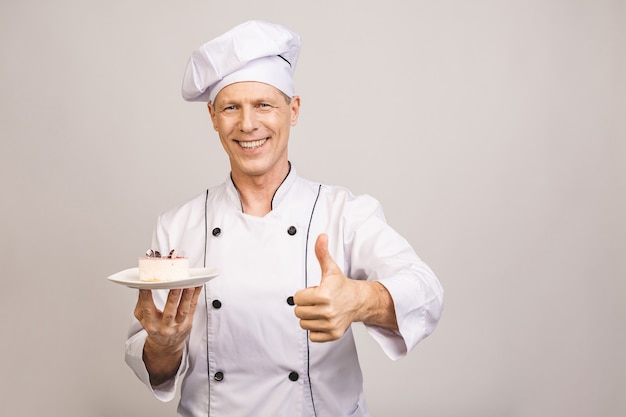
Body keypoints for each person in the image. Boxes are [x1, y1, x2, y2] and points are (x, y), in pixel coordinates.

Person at [125, 20, 443, 417]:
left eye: (264, 105)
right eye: (230, 107)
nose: (247, 124)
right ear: (212, 116)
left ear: (292, 110)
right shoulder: (176, 225)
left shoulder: (343, 211)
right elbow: (154, 364)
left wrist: (361, 300)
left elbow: (426, 290)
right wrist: (165, 346)